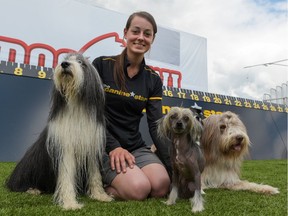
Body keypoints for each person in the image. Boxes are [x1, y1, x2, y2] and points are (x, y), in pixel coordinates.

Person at [92, 11, 171, 201]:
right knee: (139, 189)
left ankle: (131, 174)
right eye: (136, 31)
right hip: (103, 146)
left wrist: (172, 164)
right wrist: (113, 147)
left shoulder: (153, 79)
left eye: (147, 34)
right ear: (125, 33)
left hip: (135, 147)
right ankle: (94, 182)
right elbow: (91, 115)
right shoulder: (101, 65)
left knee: (161, 185)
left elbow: (155, 125)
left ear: (152, 39)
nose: (140, 38)